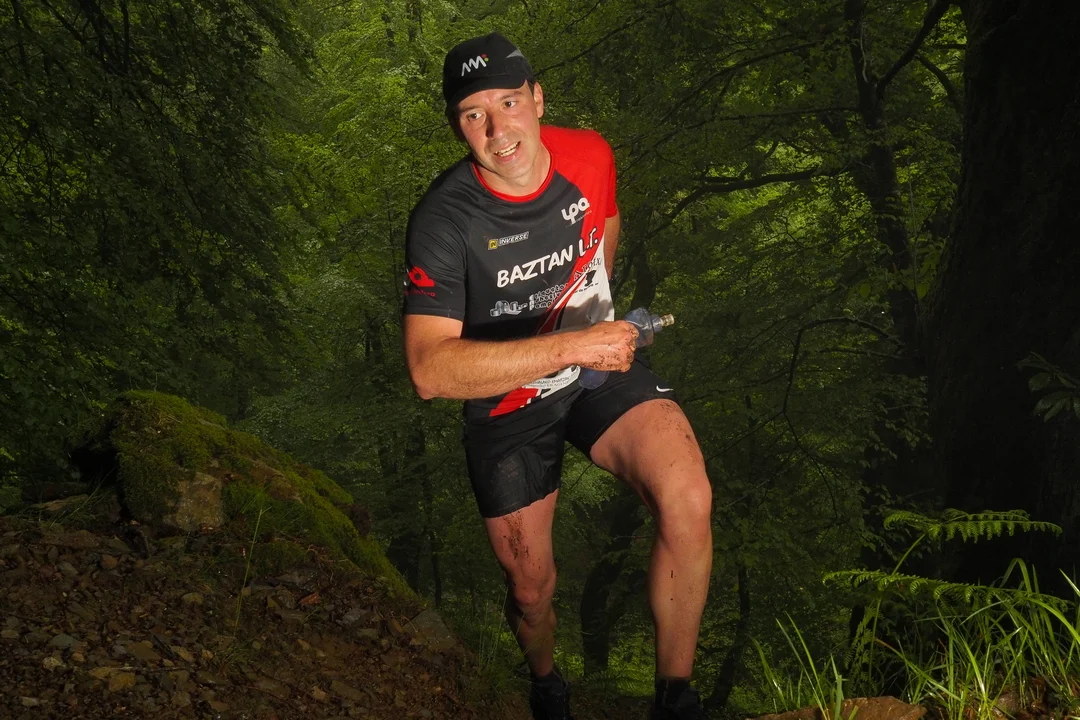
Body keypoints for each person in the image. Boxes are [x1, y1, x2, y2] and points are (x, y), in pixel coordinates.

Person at [402, 31, 713, 720]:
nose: (498, 130)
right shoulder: (443, 221)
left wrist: (593, 322)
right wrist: (572, 345)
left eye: (509, 102)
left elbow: (606, 226)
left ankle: (676, 698)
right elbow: (428, 369)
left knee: (688, 496)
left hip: (599, 370)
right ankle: (546, 684)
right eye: (474, 114)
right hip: (508, 403)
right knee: (530, 590)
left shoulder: (590, 154)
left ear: (538, 98)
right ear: (456, 126)